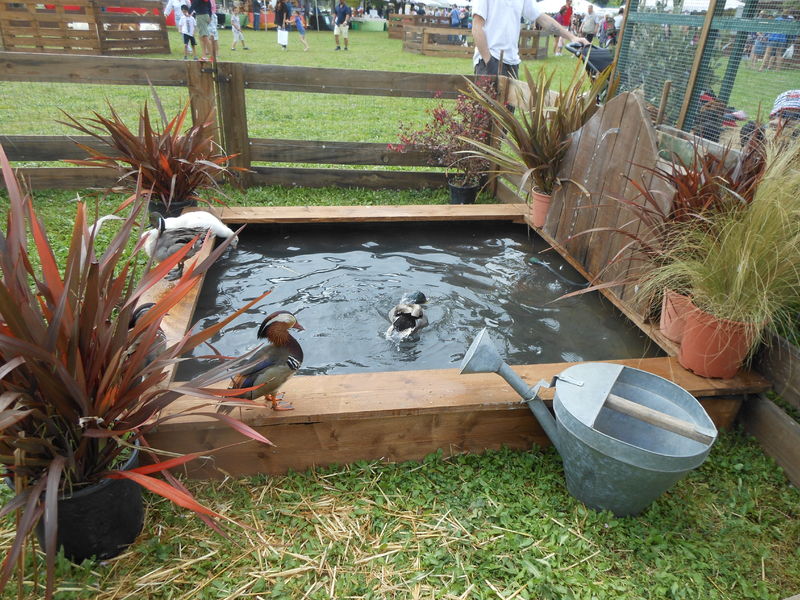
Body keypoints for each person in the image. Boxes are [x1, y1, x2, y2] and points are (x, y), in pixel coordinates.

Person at [472, 0, 589, 78]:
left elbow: (541, 18)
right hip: (489, 60)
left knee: (507, 113)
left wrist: (572, 37)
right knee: (487, 113)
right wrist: (489, 61)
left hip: (512, 62)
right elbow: (477, 26)